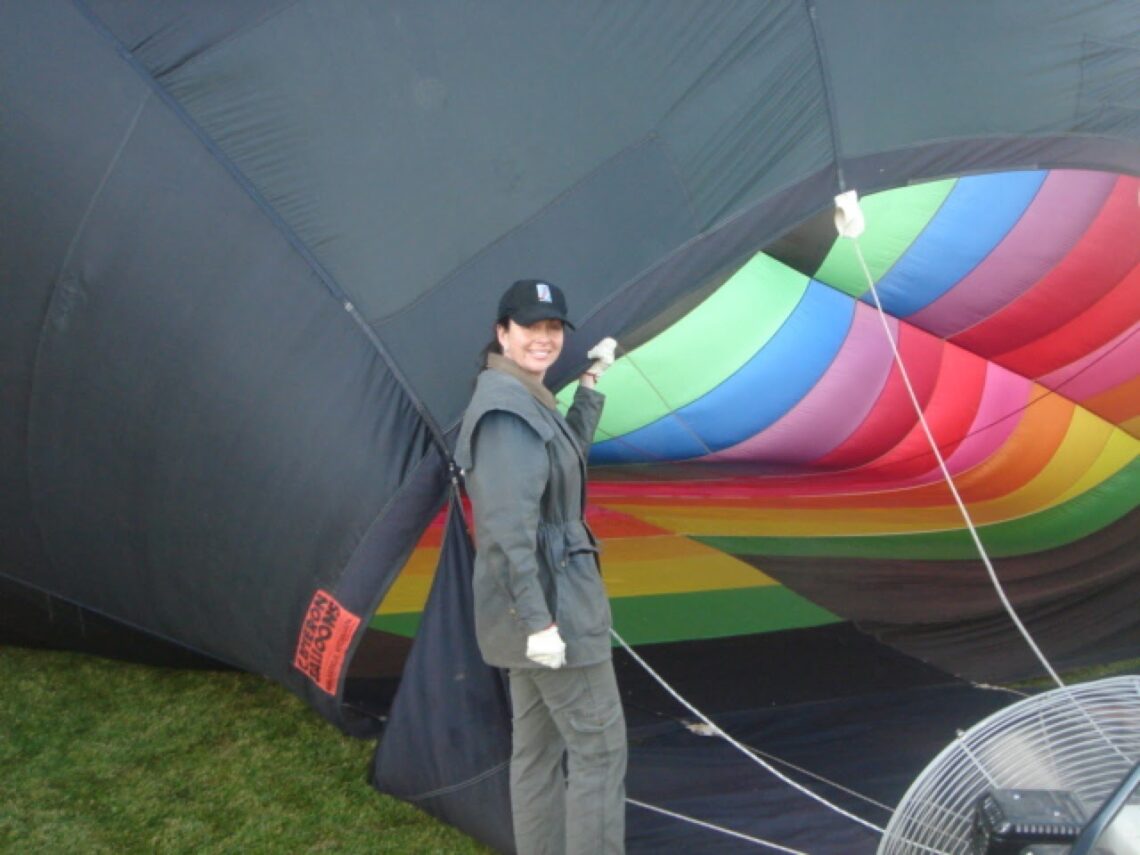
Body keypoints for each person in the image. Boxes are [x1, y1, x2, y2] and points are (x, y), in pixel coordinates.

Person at [454, 279, 626, 855]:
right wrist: (539, 624)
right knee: (600, 751)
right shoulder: (506, 412)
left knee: (538, 751)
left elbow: (562, 469)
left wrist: (590, 388)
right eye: (531, 326)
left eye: (554, 328)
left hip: (542, 607)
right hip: (551, 610)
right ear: (503, 333)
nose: (545, 338)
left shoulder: (528, 399)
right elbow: (506, 532)